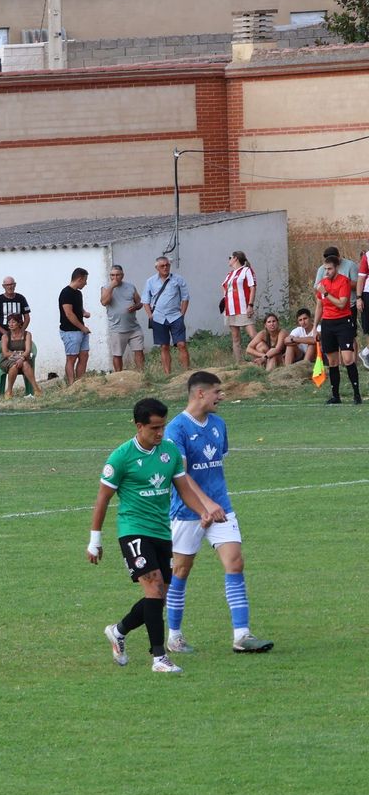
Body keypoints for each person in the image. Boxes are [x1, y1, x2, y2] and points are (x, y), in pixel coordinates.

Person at [86, 397, 227, 675]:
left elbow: (184, 488)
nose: (160, 433)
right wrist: (95, 540)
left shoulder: (170, 452)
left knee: (159, 595)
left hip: (162, 530)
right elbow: (102, 499)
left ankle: (118, 631)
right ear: (139, 426)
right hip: (133, 530)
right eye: (154, 428)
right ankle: (159, 657)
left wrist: (202, 511)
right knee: (152, 588)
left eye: (163, 426)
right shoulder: (121, 457)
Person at [164, 371, 275, 655]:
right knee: (181, 571)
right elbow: (182, 475)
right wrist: (204, 506)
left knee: (235, 563)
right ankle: (174, 636)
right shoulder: (176, 429)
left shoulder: (219, 424)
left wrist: (215, 505)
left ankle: (242, 635)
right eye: (217, 392)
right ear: (200, 393)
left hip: (221, 508)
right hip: (187, 511)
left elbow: (215, 467)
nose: (221, 397)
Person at [314, 253, 362, 404]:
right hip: (328, 323)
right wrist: (315, 327)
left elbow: (342, 304)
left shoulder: (344, 282)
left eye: (329, 269)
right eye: (325, 269)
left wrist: (326, 293)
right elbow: (319, 306)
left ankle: (357, 394)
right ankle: (336, 396)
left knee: (347, 359)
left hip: (343, 322)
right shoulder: (322, 283)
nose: (326, 271)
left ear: (336, 268)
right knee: (332, 361)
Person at [144, 256, 192, 374]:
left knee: (181, 344)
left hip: (175, 316)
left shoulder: (178, 279)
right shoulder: (150, 281)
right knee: (164, 346)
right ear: (157, 268)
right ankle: (167, 374)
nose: (165, 267)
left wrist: (182, 314)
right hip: (159, 318)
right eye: (162, 266)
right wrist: (150, 316)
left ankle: (186, 372)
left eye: (167, 265)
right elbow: (145, 300)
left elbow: (185, 298)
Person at [99, 264, 144, 372]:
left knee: (139, 351)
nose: (115, 278)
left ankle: (141, 374)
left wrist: (135, 307)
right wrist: (111, 286)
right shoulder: (106, 288)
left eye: (117, 275)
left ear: (122, 275)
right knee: (117, 354)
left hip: (134, 327)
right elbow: (104, 302)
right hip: (117, 328)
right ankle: (119, 376)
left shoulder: (130, 286)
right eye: (112, 275)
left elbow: (140, 303)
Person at [222, 251, 257, 363]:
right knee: (235, 337)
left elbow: (252, 288)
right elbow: (224, 288)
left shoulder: (247, 271)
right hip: (230, 309)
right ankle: (239, 362)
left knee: (253, 335)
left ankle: (260, 357)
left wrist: (250, 305)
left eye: (230, 257)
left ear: (235, 258)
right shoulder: (229, 274)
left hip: (243, 307)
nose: (229, 259)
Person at [59, 267, 92, 384]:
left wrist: (84, 312)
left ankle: (80, 382)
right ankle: (71, 384)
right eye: (85, 280)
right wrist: (82, 328)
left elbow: (77, 307)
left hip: (80, 330)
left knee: (84, 356)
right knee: (71, 358)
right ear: (79, 279)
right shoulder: (66, 293)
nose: (86, 283)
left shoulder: (78, 293)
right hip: (70, 331)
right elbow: (69, 313)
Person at [0, 277, 31, 366]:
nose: (10, 287)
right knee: (3, 360)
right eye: (7, 285)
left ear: (15, 285)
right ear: (3, 286)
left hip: (19, 338)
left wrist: (22, 331)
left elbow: (27, 317)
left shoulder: (21, 298)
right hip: (3, 336)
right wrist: (5, 333)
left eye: (12, 284)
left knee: (22, 360)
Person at [0, 315, 38, 397]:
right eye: (9, 322)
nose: (11, 324)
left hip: (24, 359)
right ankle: (9, 391)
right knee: (14, 366)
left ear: (19, 323)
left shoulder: (27, 334)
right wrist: (19, 354)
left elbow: (27, 350)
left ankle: (36, 389)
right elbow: (5, 353)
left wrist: (21, 357)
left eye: (13, 322)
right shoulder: (5, 336)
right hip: (8, 360)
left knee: (25, 364)